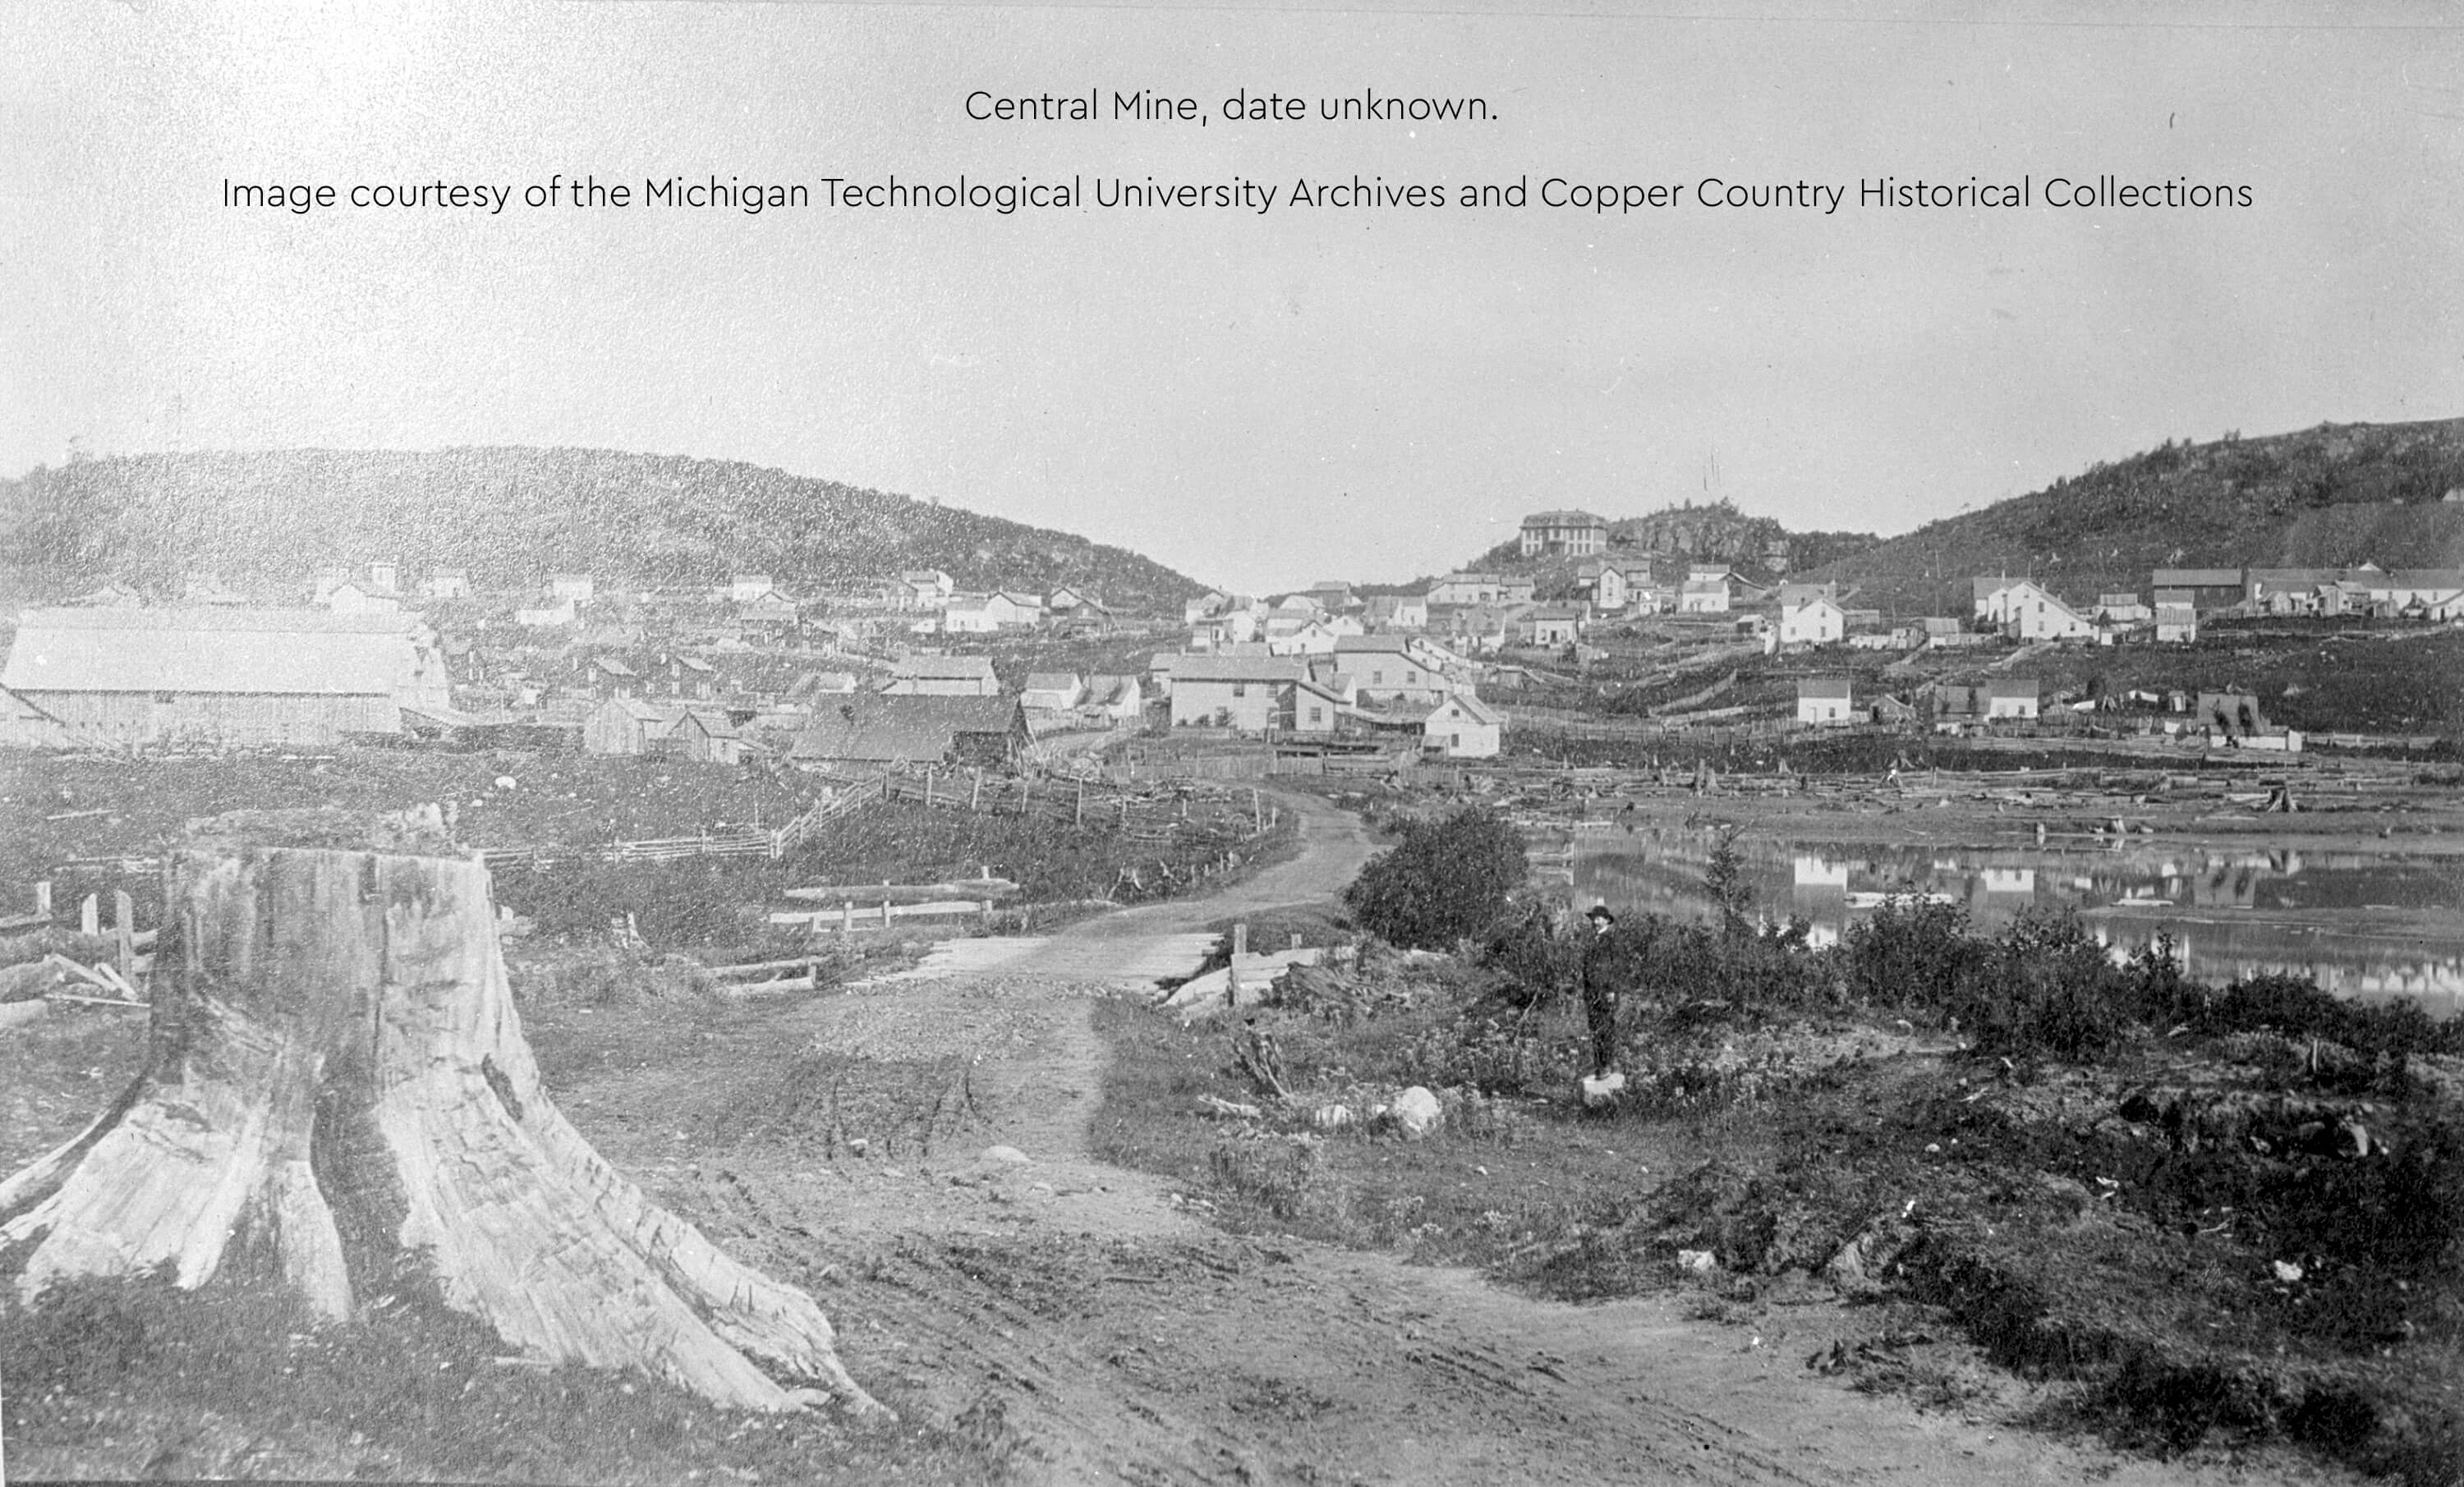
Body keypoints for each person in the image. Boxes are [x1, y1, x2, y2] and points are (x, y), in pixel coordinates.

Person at [1579, 902, 1621, 1079]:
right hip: (1592, 993)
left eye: (1598, 919)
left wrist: (1611, 989)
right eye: (1593, 919)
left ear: (1606, 921)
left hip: (1605, 993)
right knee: (1595, 1030)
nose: (1595, 922)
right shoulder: (1593, 940)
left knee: (1605, 1029)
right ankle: (1599, 1065)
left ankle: (1606, 1065)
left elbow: (1616, 967)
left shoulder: (1611, 941)